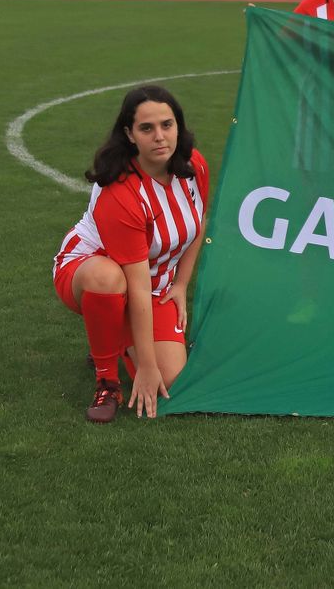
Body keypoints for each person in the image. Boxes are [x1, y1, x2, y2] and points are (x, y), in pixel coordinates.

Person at [53, 85, 209, 422]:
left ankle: (110, 336)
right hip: (90, 274)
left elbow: (199, 222)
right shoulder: (121, 193)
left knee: (172, 381)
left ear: (178, 125)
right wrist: (147, 366)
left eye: (167, 125)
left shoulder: (193, 165)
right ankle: (107, 381)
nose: (159, 137)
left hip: (152, 284)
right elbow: (136, 286)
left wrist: (181, 284)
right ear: (129, 134)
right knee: (107, 279)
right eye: (146, 128)